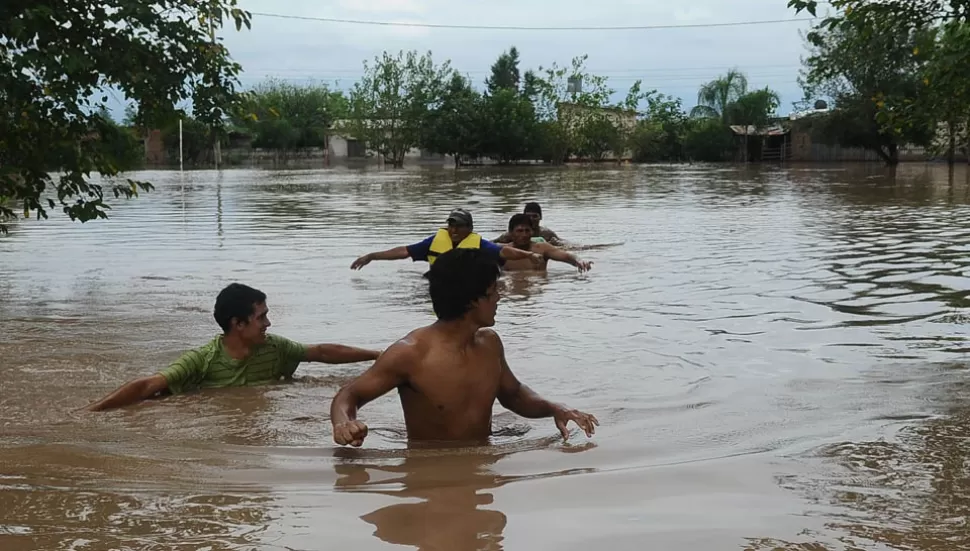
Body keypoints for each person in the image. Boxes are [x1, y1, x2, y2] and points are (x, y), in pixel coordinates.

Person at [330, 248, 599, 446]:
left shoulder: (490, 344)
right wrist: (343, 423)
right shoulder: (411, 353)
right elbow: (348, 395)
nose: (500, 297)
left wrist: (556, 408)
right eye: (494, 291)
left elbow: (514, 395)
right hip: (430, 468)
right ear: (472, 301)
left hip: (483, 458)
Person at [87, 283, 382, 411]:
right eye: (261, 317)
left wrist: (378, 355)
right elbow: (148, 386)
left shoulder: (274, 347)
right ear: (238, 324)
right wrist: (93, 412)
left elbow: (320, 352)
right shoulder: (202, 360)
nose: (268, 323)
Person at [351, 208, 542, 270]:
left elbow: (503, 251)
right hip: (439, 285)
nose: (454, 229)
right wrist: (372, 256)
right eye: (451, 225)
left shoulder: (479, 244)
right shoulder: (434, 241)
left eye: (459, 225)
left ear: (469, 228)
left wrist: (528, 255)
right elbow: (403, 251)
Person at [501, 214, 592, 273]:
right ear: (510, 233)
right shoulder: (503, 251)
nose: (524, 235)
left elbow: (566, 256)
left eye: (527, 230)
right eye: (519, 231)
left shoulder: (542, 248)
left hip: (537, 294)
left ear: (532, 232)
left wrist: (579, 261)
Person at [493, 202, 563, 246]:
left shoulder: (546, 234)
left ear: (540, 217)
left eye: (534, 216)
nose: (531, 219)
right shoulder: (510, 235)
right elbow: (490, 244)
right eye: (529, 216)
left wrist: (555, 245)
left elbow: (567, 245)